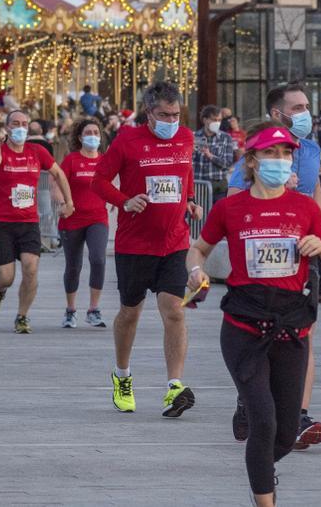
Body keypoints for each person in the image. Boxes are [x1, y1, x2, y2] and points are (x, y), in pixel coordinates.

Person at [186, 124, 321, 507]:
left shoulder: (305, 207)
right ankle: (265, 497)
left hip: (291, 328)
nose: (281, 161)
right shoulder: (230, 207)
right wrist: (196, 271)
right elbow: (199, 248)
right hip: (243, 328)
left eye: (286, 154)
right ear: (253, 161)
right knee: (264, 421)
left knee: (285, 433)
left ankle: (260, 467)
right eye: (272, 154)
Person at [226, 83, 321, 448]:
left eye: (306, 105)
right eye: (296, 107)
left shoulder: (312, 149)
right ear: (276, 114)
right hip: (262, 261)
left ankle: (299, 415)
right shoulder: (255, 158)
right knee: (260, 336)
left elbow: (314, 189)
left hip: (302, 256)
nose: (305, 113)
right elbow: (233, 199)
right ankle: (248, 399)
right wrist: (277, 190)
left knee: (305, 335)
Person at [93, 81, 202, 417]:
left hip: (174, 242)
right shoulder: (127, 140)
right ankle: (122, 376)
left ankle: (174, 386)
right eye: (163, 114)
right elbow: (99, 180)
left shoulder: (185, 137)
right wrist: (125, 201)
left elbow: (185, 171)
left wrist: (191, 200)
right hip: (135, 244)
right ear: (148, 113)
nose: (171, 120)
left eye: (176, 113)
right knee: (131, 313)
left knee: (175, 310)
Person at [0, 109, 74, 333]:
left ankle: (22, 316)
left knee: (30, 269)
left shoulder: (37, 151)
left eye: (24, 123)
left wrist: (68, 202)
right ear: (7, 127)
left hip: (28, 222)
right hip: (2, 223)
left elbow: (59, 174)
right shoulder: (0, 150)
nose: (21, 128)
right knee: (6, 277)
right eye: (15, 123)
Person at [58, 119, 110, 329]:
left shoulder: (105, 160)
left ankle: (93, 309)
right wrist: (62, 203)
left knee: (98, 259)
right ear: (80, 137)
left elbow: (115, 181)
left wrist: (119, 199)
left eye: (96, 132)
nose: (93, 135)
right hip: (72, 219)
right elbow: (55, 182)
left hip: (97, 218)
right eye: (88, 132)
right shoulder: (71, 160)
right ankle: (70, 311)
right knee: (74, 266)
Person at [192, 105, 235, 203]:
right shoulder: (194, 137)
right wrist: (191, 152)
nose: (217, 123)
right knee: (200, 216)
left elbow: (227, 164)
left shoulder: (225, 138)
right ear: (205, 120)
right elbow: (188, 164)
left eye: (219, 120)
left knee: (219, 216)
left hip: (219, 187)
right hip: (199, 185)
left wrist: (210, 156)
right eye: (214, 120)